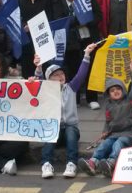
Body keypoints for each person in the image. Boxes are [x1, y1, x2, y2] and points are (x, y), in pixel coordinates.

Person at [35, 43, 97, 179]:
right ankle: (46, 164)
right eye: (55, 75)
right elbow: (38, 82)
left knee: (70, 132)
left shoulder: (70, 88)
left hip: (70, 129)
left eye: (61, 73)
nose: (60, 76)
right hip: (54, 130)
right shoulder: (46, 91)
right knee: (50, 137)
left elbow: (81, 75)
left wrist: (86, 54)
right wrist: (38, 67)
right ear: (49, 80)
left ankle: (71, 163)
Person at [77, 63, 132, 178]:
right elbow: (108, 121)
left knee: (118, 144)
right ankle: (93, 162)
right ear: (108, 94)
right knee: (105, 144)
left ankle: (111, 162)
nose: (116, 91)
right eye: (112, 90)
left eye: (118, 89)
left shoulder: (131, 100)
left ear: (123, 89)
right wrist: (105, 131)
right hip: (114, 133)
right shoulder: (109, 105)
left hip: (130, 134)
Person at [50, 0, 103, 109]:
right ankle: (75, 98)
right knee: (73, 68)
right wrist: (78, 20)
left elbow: (98, 14)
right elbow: (59, 19)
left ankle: (92, 98)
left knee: (90, 67)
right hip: (69, 40)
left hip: (88, 37)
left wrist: (86, 19)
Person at [17, 0, 54, 78]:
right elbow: (15, 18)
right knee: (28, 74)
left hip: (42, 41)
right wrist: (24, 26)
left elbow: (50, 17)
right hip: (26, 43)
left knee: (44, 71)